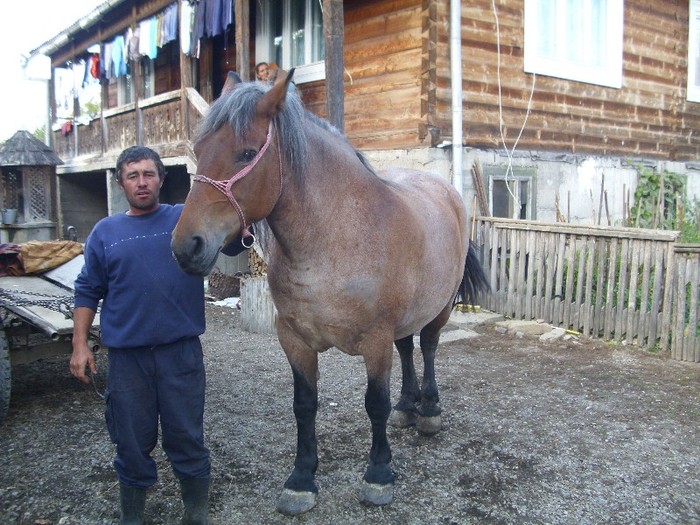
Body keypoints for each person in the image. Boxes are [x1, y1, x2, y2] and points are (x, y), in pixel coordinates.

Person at [70, 146, 211, 525]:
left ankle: (196, 511)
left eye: (149, 174)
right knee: (130, 440)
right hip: (128, 361)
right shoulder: (105, 232)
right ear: (121, 183)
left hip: (180, 354)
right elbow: (87, 290)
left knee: (186, 435)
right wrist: (80, 344)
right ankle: (133, 515)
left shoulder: (184, 219)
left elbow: (228, 236)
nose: (142, 182)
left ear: (162, 180)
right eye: (133, 176)